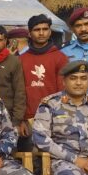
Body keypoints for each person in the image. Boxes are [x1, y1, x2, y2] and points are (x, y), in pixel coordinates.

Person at [18, 14, 68, 151]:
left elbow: (63, 92)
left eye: (45, 29)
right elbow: (18, 92)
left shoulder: (60, 58)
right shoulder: (21, 60)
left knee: (54, 157)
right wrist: (21, 120)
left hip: (54, 119)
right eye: (37, 29)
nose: (41, 33)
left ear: (50, 32)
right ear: (29, 33)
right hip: (29, 120)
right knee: (31, 158)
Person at [0, 25, 27, 131]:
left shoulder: (13, 62)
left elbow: (19, 92)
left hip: (7, 117)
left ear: (5, 41)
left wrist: (17, 121)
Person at [61, 7, 88, 95]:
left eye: (87, 24)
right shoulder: (64, 52)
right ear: (72, 29)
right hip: (71, 102)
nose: (83, 29)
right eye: (78, 25)